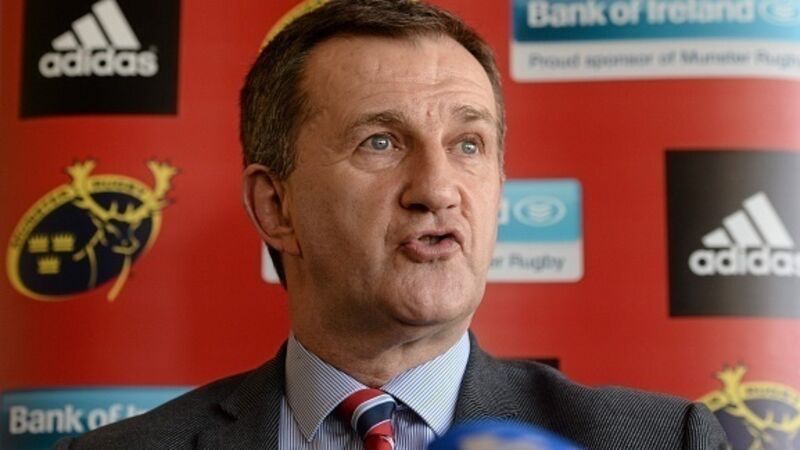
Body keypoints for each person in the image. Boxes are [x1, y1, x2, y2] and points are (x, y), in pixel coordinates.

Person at [55, 1, 729, 449]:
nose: (436, 189)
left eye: (468, 145)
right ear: (275, 207)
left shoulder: (661, 439)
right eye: (380, 142)